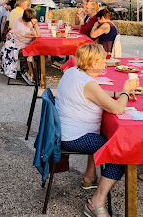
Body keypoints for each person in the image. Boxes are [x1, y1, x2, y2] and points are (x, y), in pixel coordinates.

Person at [55, 44, 138, 217]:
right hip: (75, 137)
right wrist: (125, 92)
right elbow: (117, 109)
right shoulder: (89, 84)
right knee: (120, 153)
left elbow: (94, 93)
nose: (105, 64)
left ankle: (89, 177)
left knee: (106, 137)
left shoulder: (72, 72)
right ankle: (96, 203)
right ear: (93, 64)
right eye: (102, 61)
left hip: (64, 131)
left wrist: (114, 93)